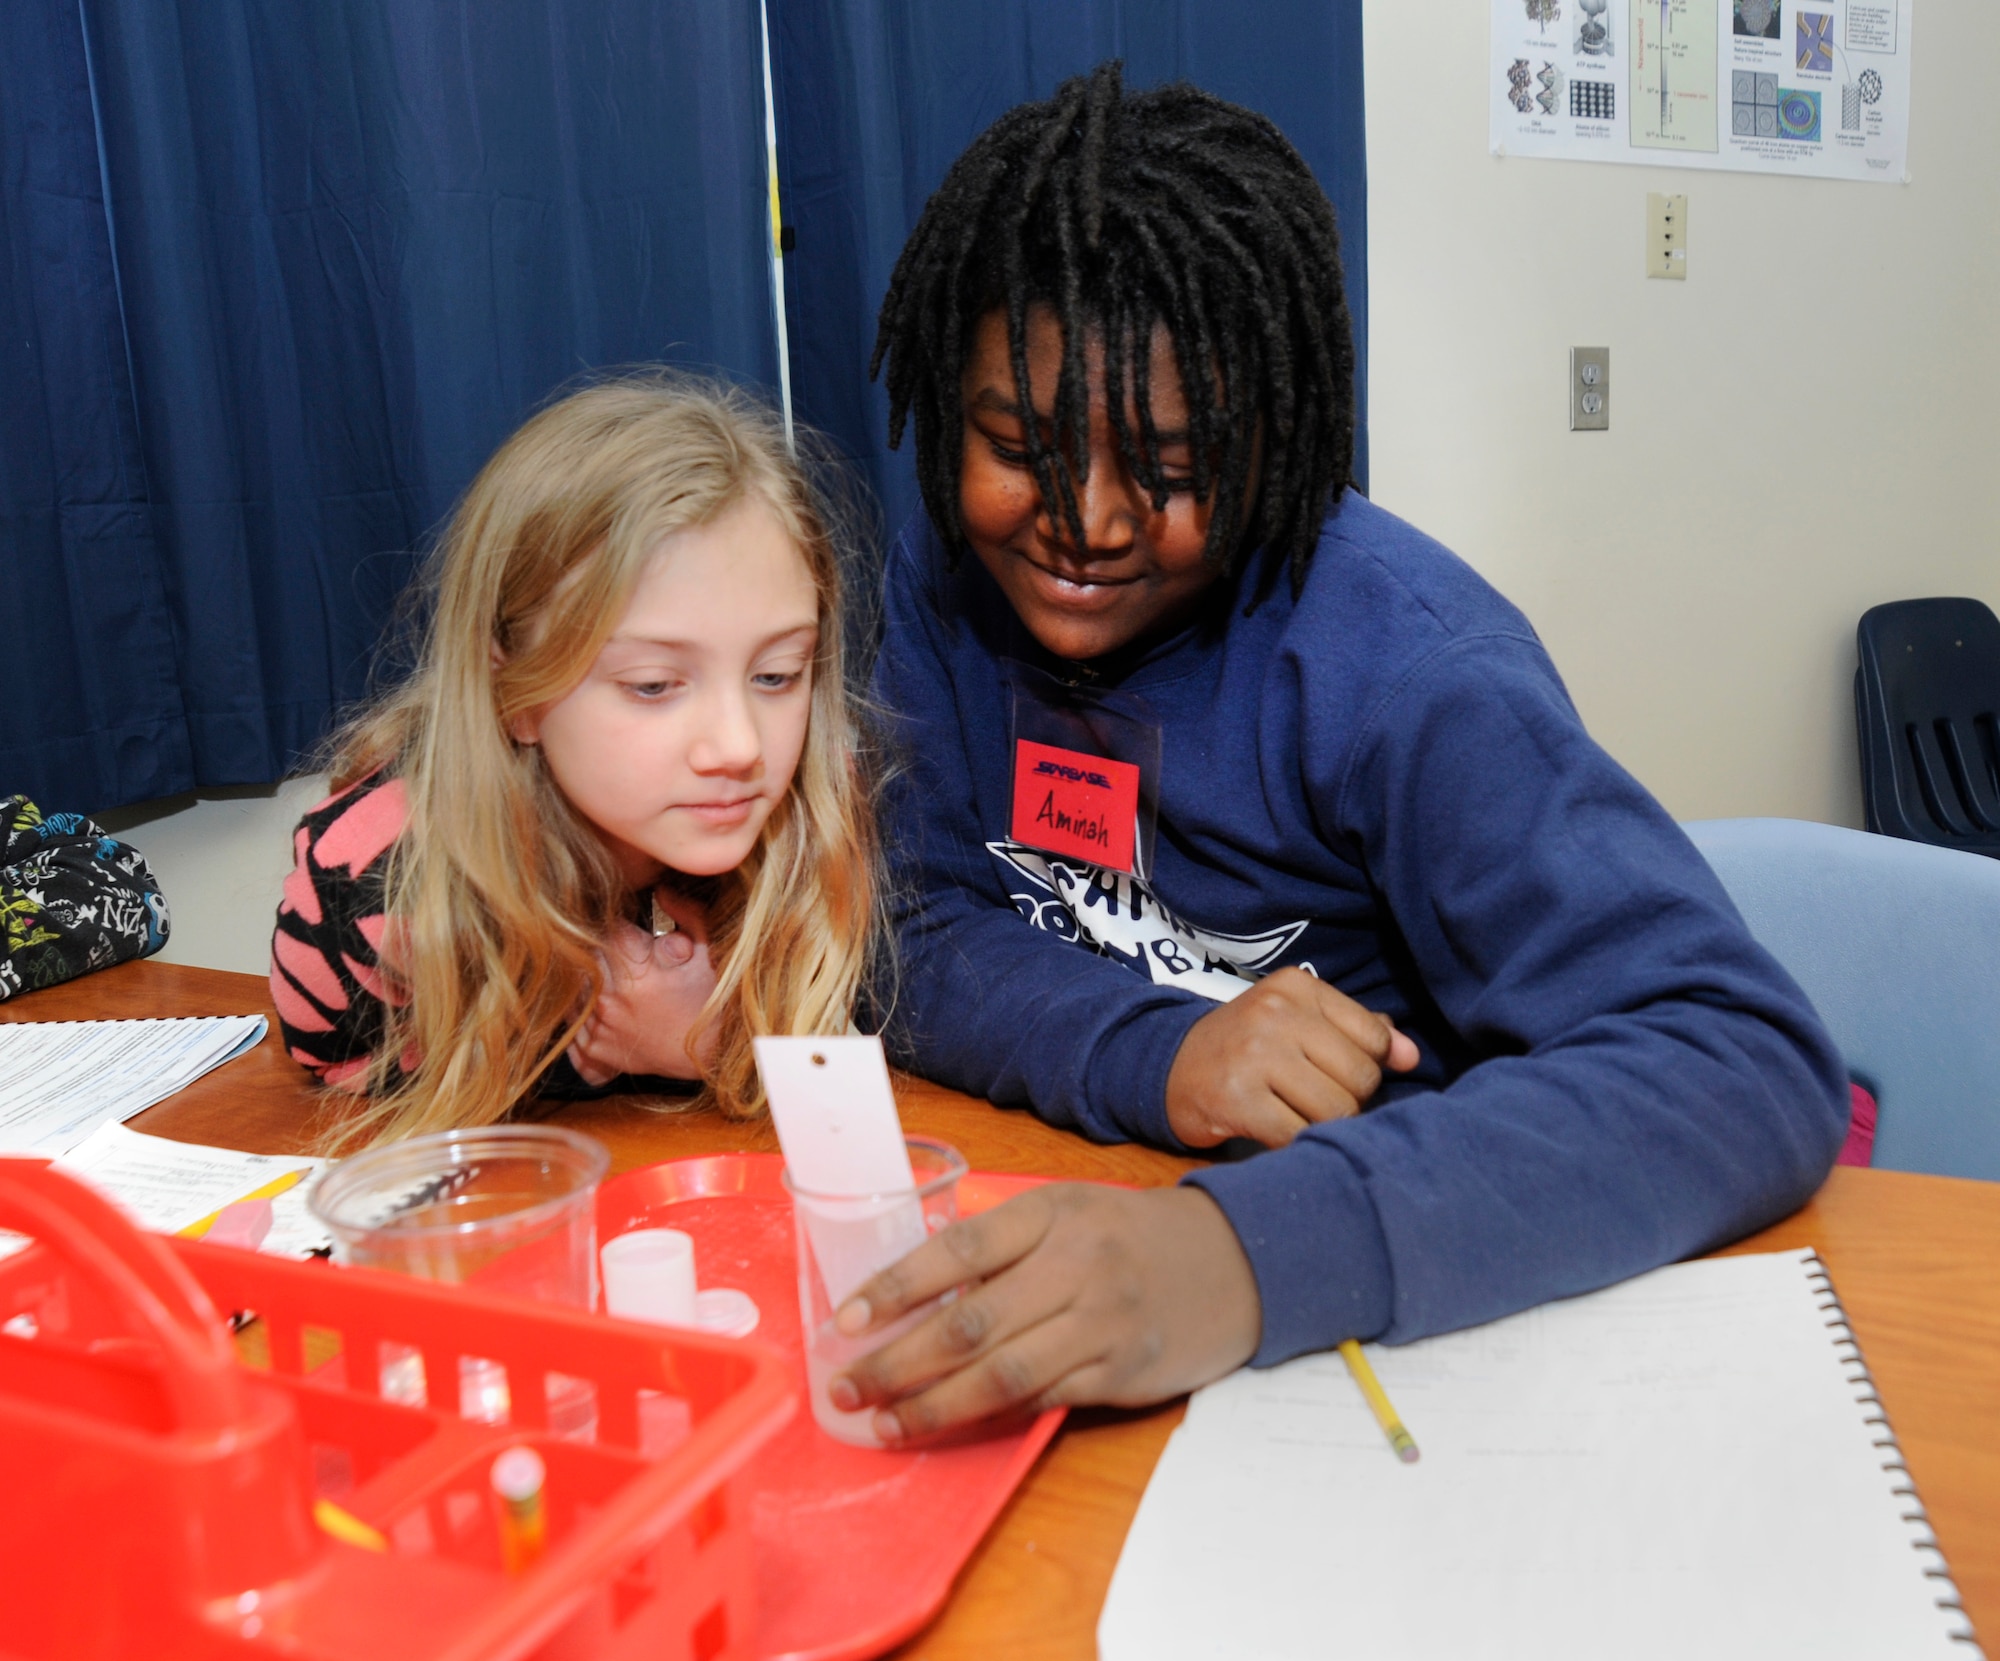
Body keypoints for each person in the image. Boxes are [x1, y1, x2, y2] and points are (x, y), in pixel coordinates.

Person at [827, 64, 1847, 1442]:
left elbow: (1743, 1061)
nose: (1086, 521)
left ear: (1273, 444)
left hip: (1398, 1323)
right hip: (1078, 1227)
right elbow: (904, 922)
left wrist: (1235, 1255)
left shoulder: (1408, 669)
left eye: (1174, 471)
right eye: (1019, 447)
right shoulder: (947, 591)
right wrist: (1162, 1054)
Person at [270, 374, 877, 1146]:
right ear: (516, 695)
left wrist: (717, 1046)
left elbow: (863, 1101)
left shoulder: (817, 819)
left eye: (778, 675)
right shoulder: (369, 888)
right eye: (654, 685)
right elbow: (335, 1062)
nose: (740, 746)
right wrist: (582, 1046)